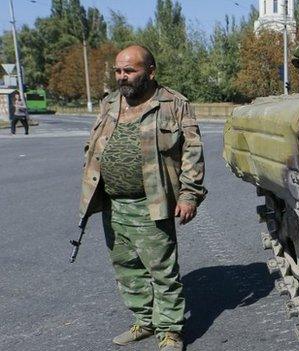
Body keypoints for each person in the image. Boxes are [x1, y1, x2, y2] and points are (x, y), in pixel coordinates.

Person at [79, 45, 206, 351]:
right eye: (118, 71)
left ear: (150, 72)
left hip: (152, 202)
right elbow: (95, 146)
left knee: (162, 270)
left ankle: (171, 330)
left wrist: (189, 195)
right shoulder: (109, 102)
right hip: (112, 202)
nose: (122, 77)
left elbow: (193, 152)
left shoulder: (174, 103)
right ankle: (144, 320)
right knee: (127, 268)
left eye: (130, 70)